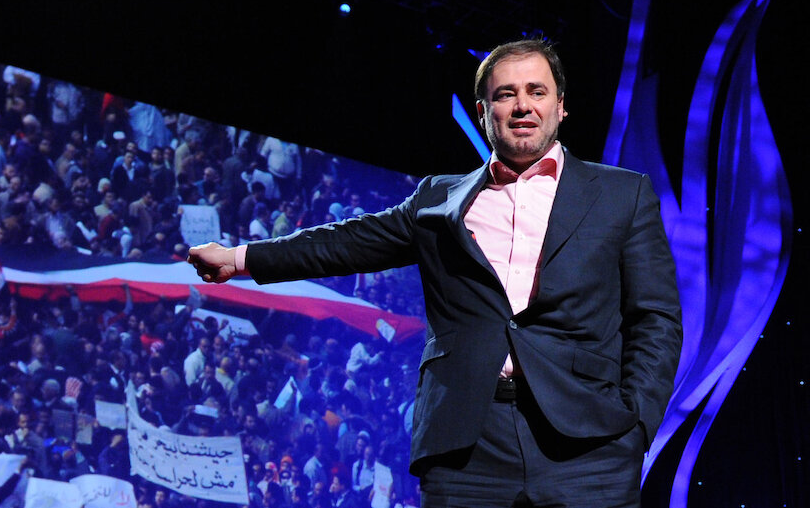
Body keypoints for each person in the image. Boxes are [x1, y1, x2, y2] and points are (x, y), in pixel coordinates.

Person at [192, 38, 682, 507]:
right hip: (466, 446)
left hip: (588, 444)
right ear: (483, 112)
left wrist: (636, 424)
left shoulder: (623, 193)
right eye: (505, 94)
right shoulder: (438, 199)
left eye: (537, 91)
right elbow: (348, 242)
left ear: (561, 106)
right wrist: (240, 258)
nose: (522, 105)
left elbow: (656, 318)